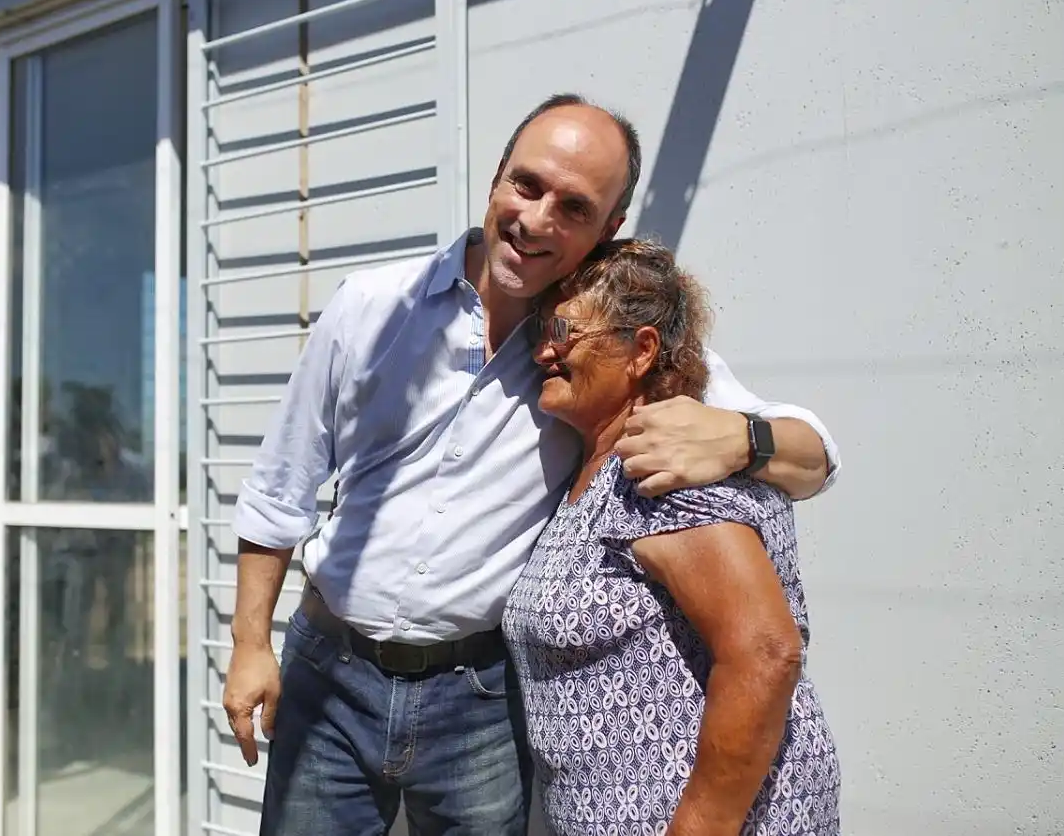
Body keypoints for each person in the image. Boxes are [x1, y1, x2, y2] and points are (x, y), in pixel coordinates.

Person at [224, 93, 841, 836]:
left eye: (575, 208)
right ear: (496, 177)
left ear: (609, 228)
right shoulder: (370, 307)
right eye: (528, 185)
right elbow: (280, 488)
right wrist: (250, 643)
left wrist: (744, 438)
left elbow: (816, 451)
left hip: (475, 699)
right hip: (331, 668)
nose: (538, 219)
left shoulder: (599, 338)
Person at [502, 239, 840, 836]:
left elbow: (764, 652)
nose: (542, 349)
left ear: (641, 351)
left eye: (561, 329)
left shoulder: (663, 471)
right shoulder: (600, 469)